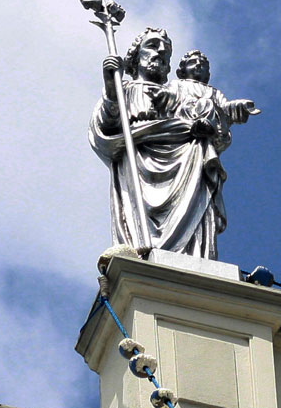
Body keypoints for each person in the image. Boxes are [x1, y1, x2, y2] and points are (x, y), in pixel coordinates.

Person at [89, 29, 244, 260]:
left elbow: (213, 126)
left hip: (189, 161)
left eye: (166, 51)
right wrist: (112, 89)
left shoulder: (178, 92)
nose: (161, 52)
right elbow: (105, 128)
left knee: (191, 221)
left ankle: (193, 257)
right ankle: (143, 249)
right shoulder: (125, 91)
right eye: (153, 45)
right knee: (139, 227)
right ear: (136, 57)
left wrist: (222, 117)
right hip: (139, 160)